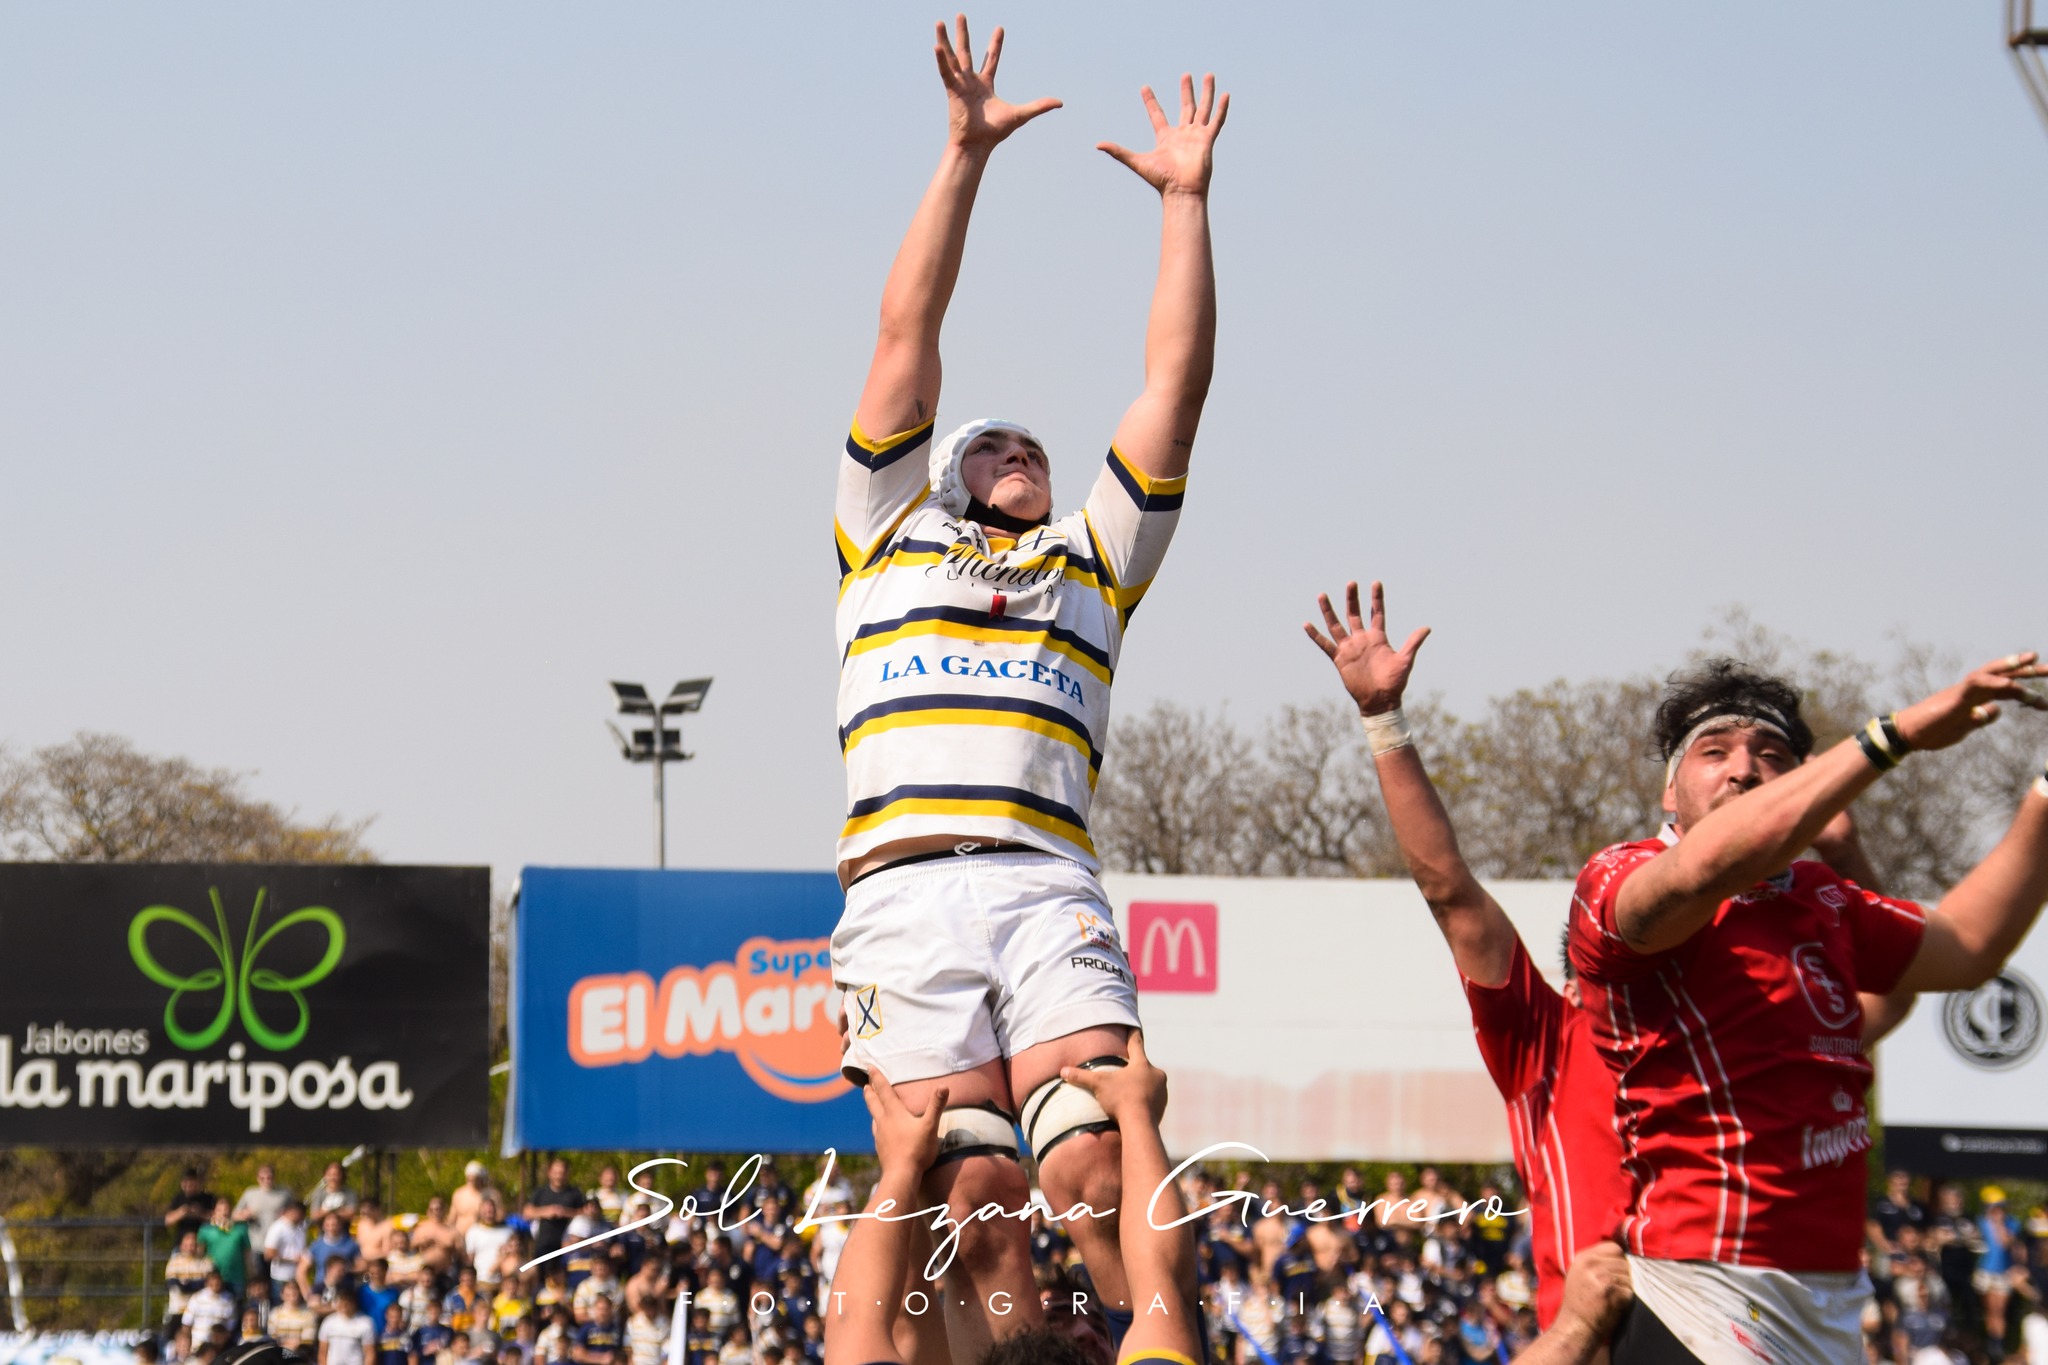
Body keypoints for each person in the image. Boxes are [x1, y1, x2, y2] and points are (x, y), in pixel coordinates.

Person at [828, 14, 1227, 1355]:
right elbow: (906, 326)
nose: (1017, 448)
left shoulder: (1091, 570)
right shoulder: (881, 534)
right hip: (906, 893)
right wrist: (962, 157)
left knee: (1096, 1175)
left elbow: (1175, 387)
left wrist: (1185, 204)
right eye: (988, 438)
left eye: (1036, 445)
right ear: (936, 471)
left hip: (1046, 884)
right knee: (983, 1205)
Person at [1305, 581, 1916, 1332]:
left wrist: (1838, 840)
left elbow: (1885, 989)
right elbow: (1451, 890)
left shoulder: (1737, 1023)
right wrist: (1383, 720)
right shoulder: (1549, 1040)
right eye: (1715, 750)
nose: (1743, 768)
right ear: (1590, 970)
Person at [1568, 652, 2048, 1363]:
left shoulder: (1822, 898)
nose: (1743, 768)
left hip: (1829, 1301)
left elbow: (1970, 945)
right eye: (1715, 751)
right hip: (1705, 1297)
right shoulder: (1619, 875)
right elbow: (1715, 863)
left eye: (1772, 754)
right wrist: (1899, 733)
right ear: (1670, 790)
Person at [524, 1161, 583, 1265]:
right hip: (543, 1244)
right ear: (549, 1173)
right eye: (556, 1173)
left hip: (567, 1245)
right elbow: (527, 1212)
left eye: (562, 1173)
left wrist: (565, 1212)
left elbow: (585, 1213)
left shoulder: (575, 1193)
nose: (559, 1176)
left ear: (567, 1174)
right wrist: (546, 1211)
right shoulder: (540, 1192)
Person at [200, 1199, 256, 1305]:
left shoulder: (241, 1230)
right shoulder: (205, 1230)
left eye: (227, 1209)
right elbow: (200, 1253)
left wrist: (251, 1276)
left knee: (235, 1308)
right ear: (214, 1212)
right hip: (213, 1279)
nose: (224, 1212)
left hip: (236, 1277)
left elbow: (247, 1254)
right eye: (220, 1209)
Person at [236, 1166, 292, 1250]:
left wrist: (287, 1215)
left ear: (274, 1177)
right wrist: (245, 1215)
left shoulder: (285, 1193)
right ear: (257, 1179)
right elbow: (234, 1215)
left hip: (278, 1245)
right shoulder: (250, 1193)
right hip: (256, 1244)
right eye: (262, 1178)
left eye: (269, 1178)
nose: (266, 1181)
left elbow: (296, 1212)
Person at [318, 1290, 376, 1365]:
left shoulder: (366, 1323)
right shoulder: (328, 1322)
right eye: (341, 1301)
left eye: (347, 1302)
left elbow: (370, 1354)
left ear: (354, 1303)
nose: (344, 1305)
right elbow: (322, 1353)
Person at [453, 1164, 508, 1238]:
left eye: (475, 1179)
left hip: (484, 1236)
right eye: (469, 1178)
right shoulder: (459, 1194)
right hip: (461, 1237)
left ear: (481, 1178)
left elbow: (501, 1216)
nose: (471, 1181)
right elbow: (452, 1218)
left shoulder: (492, 1195)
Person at [168, 1169, 221, 1243]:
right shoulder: (178, 1198)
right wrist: (182, 1212)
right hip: (182, 1243)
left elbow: (218, 1219)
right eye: (185, 1183)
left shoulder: (208, 1198)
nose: (188, 1186)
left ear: (197, 1182)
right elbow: (168, 1220)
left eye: (191, 1183)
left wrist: (200, 1214)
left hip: (203, 1242)